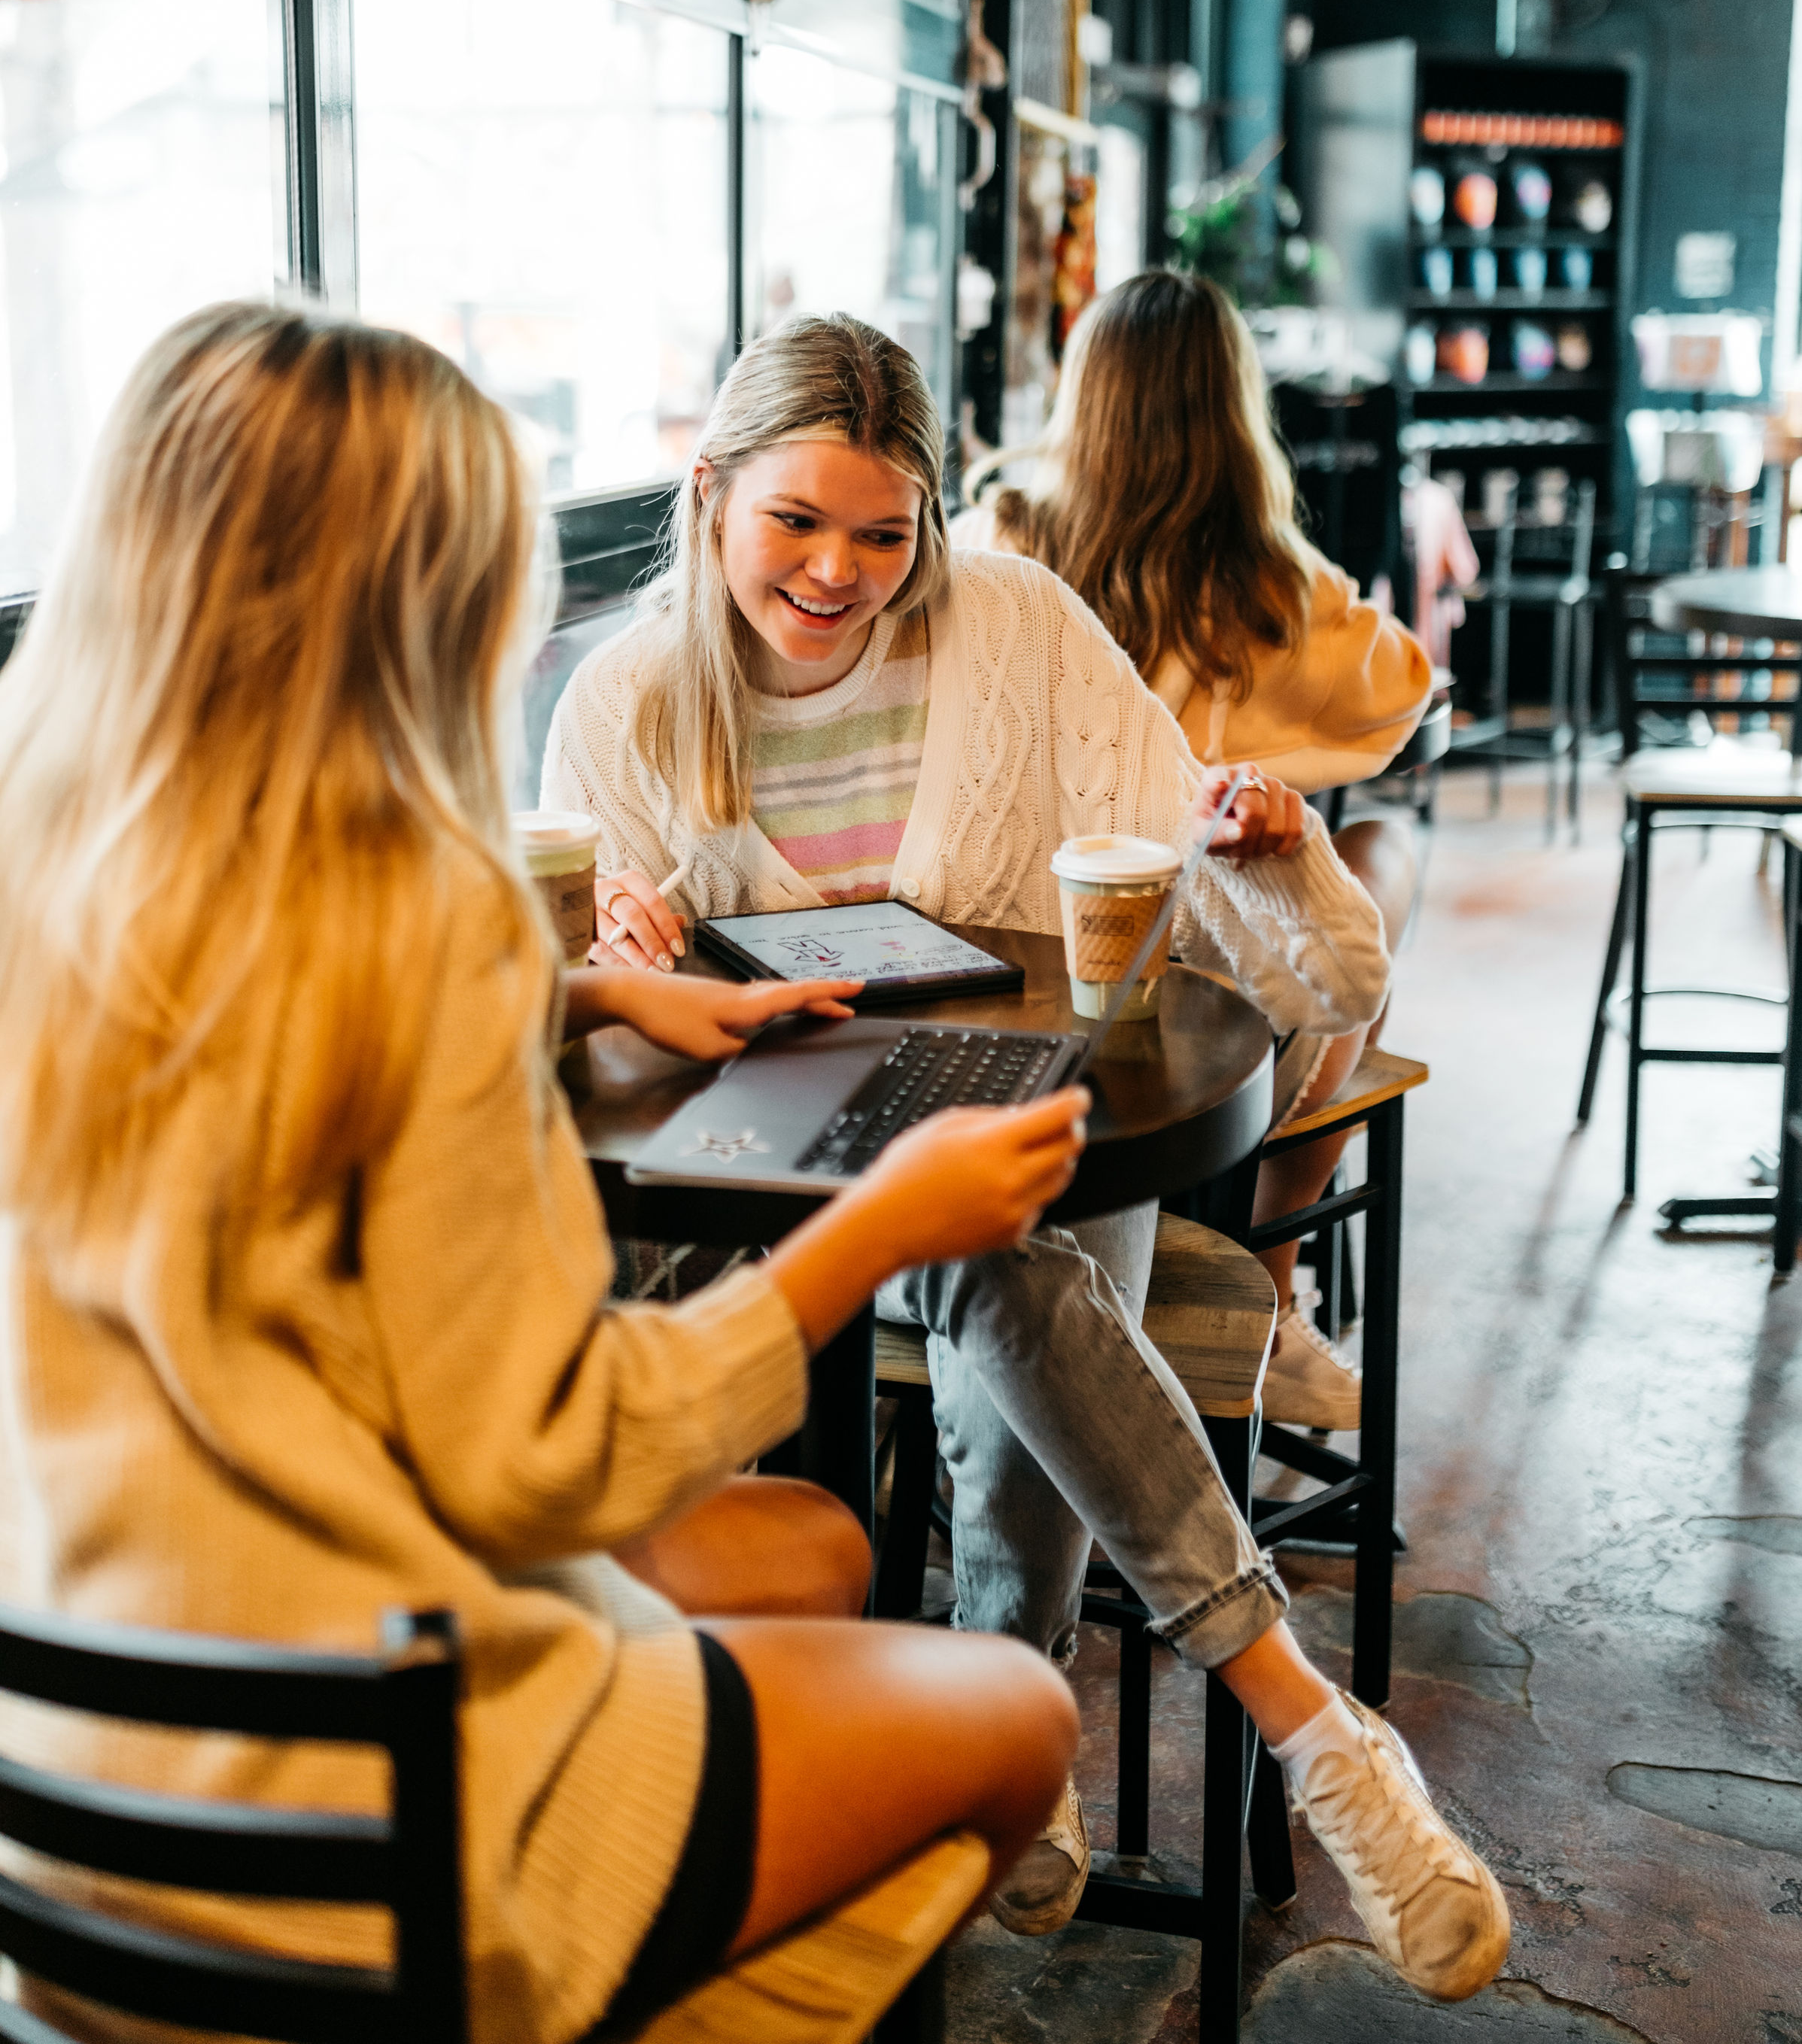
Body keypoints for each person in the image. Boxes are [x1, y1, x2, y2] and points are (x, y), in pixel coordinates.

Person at [0, 304, 1094, 2044]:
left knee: (813, 1544)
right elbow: (547, 1461)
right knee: (1019, 1718)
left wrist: (574, 988)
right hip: (374, 1818)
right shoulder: (419, 917)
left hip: (73, 1791)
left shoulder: (54, 865)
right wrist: (877, 1228)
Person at [543, 311, 1509, 1999]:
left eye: (880, 530)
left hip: (993, 1110)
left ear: (931, 517)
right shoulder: (620, 704)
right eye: (796, 523)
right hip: (750, 1193)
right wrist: (624, 954)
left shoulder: (1017, 627)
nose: (839, 572)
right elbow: (587, 1044)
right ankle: (1244, 1719)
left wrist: (1255, 848)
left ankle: (1021, 1706)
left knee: (1007, 1241)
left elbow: (1315, 969)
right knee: (1018, 1260)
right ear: (710, 496)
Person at [956, 270, 1434, 1432]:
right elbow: (1405, 690)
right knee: (1378, 851)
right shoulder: (1277, 585)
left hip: (1041, 977)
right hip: (1226, 1026)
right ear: (1236, 408)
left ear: (1084, 398)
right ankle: (1272, 1279)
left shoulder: (1004, 537)